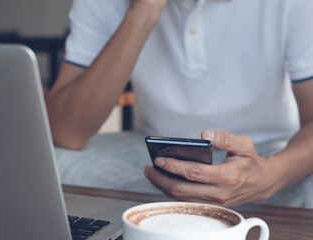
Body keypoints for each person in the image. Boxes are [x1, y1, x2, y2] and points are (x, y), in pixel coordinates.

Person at [46, 0, 313, 208]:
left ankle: (174, 210)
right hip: (155, 153)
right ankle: (212, 209)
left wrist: (266, 178)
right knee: (49, 166)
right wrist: (143, 12)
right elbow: (67, 132)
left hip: (265, 153)